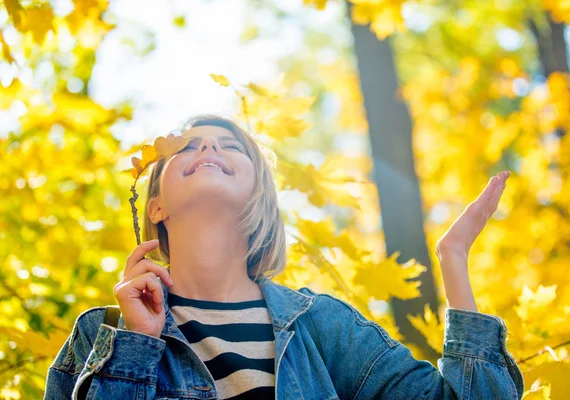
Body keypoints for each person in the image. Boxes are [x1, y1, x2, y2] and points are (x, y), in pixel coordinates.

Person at [43, 114, 524, 399]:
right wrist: (136, 345)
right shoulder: (102, 334)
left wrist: (453, 259)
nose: (209, 146)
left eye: (230, 146)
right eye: (189, 146)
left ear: (258, 196)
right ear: (156, 206)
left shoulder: (325, 327)